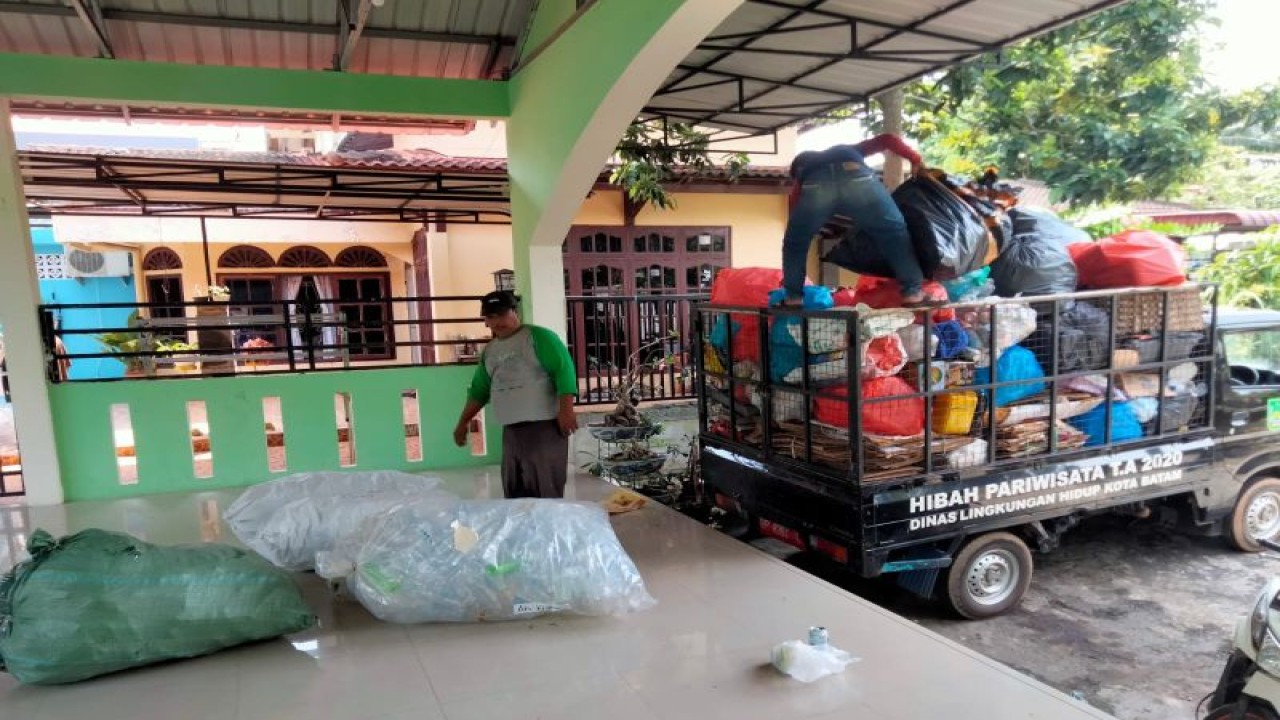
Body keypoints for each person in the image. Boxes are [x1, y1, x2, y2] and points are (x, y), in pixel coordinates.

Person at [452, 291, 579, 498]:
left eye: (502, 314)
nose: (497, 321)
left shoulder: (539, 337)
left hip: (544, 426)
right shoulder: (490, 351)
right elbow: (479, 391)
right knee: (515, 490)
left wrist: (567, 410)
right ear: (485, 322)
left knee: (544, 489)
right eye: (491, 317)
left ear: (515, 312)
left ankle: (548, 530)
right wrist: (462, 423)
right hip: (511, 430)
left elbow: (563, 371)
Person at [781, 133, 929, 305]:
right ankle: (912, 293)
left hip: (816, 186)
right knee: (894, 233)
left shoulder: (805, 171)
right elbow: (887, 139)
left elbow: (794, 212)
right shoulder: (847, 149)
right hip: (857, 177)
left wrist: (799, 230)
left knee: (795, 243)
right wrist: (914, 158)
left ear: (798, 169)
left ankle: (793, 299)